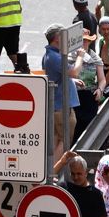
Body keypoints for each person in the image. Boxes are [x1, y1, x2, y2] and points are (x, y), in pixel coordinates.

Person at [43, 24, 83, 161]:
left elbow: (58, 76)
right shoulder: (56, 57)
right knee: (65, 141)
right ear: (57, 38)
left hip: (56, 105)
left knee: (56, 139)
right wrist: (80, 56)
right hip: (61, 106)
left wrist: (71, 81)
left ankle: (50, 169)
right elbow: (74, 72)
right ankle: (53, 170)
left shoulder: (49, 55)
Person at [54, 153, 109, 217]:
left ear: (86, 171)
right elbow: (45, 181)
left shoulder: (94, 194)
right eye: (73, 174)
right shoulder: (65, 187)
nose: (76, 177)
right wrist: (61, 162)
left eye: (79, 174)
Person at [70, 32, 106, 145]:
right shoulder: (69, 57)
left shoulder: (95, 58)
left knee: (87, 127)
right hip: (73, 96)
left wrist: (100, 89)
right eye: (79, 40)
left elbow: (102, 79)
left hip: (89, 97)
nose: (82, 42)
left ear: (89, 41)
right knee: (73, 127)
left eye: (85, 40)